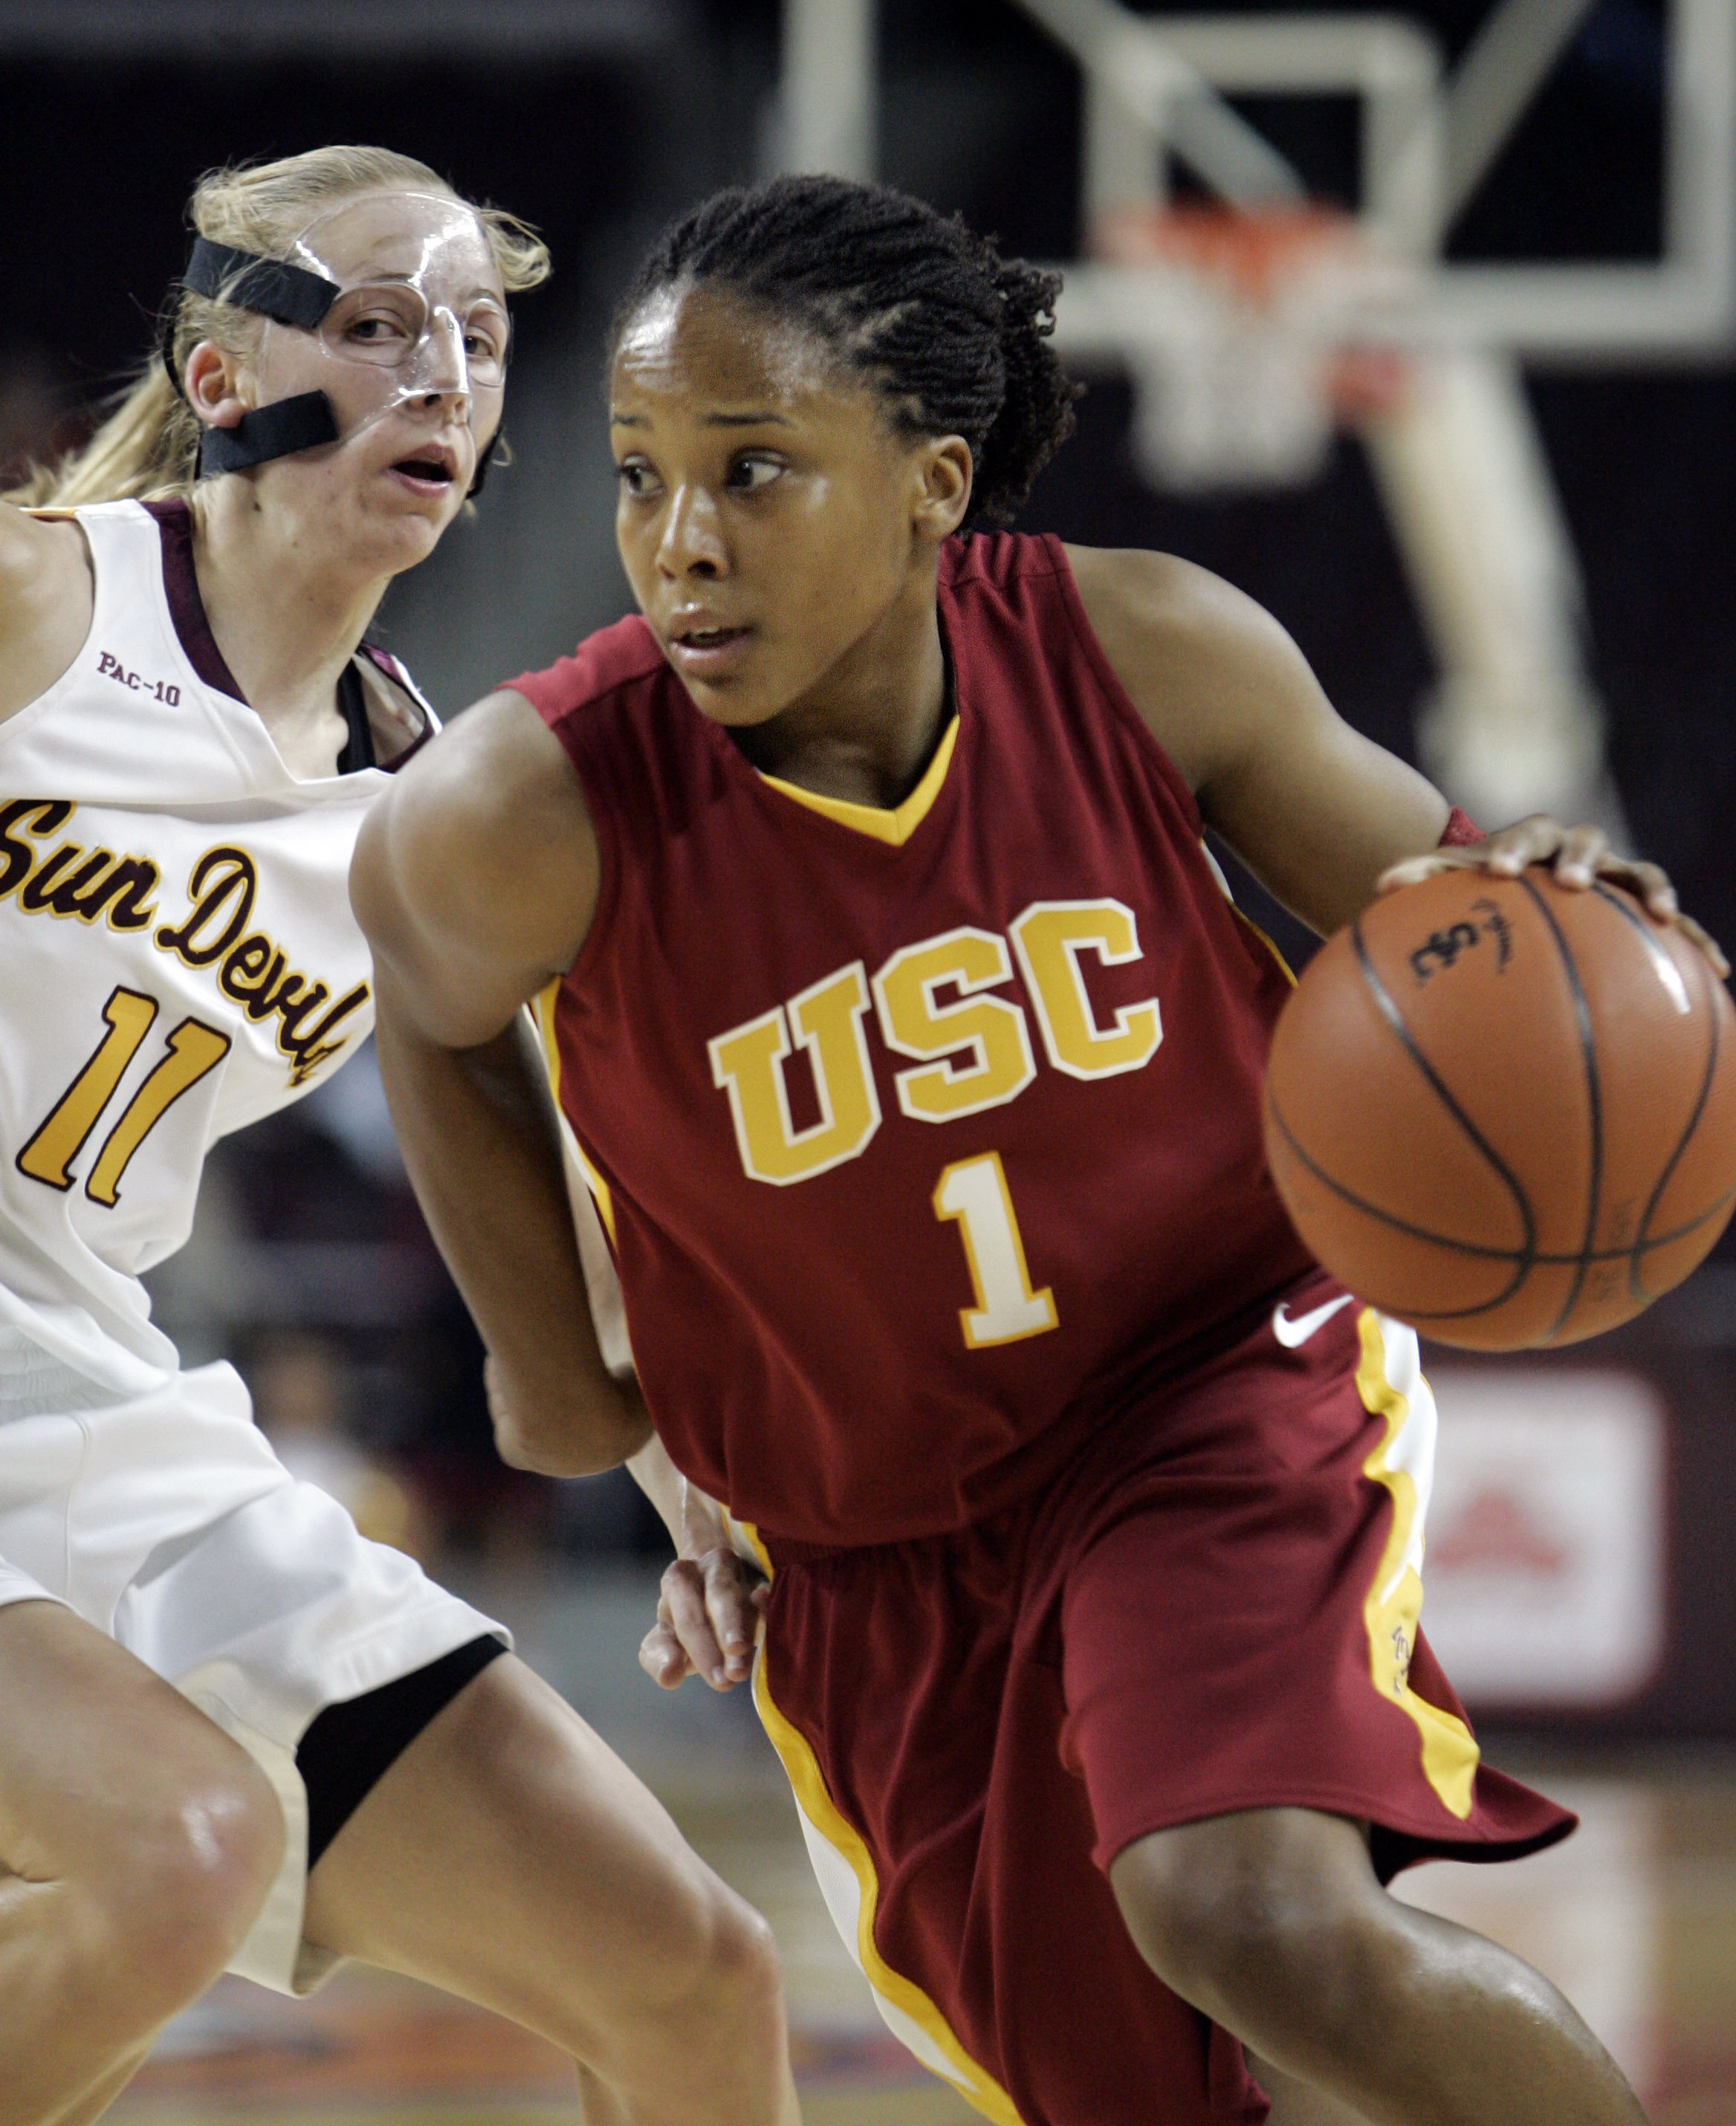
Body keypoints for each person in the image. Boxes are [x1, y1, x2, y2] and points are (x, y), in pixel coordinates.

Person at [352, 174, 1712, 2126]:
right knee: (1128, 2094)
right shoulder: (532, 805)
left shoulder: (1149, 656)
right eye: (641, 475)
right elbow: (429, 1002)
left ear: (929, 481)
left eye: (755, 474)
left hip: (1204, 1389)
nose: (678, 543)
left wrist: (1552, 921)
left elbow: (1460, 924)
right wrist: (582, 1395)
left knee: (1253, 1916)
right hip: (872, 1550)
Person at [0, 147, 798, 2126]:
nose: (441, 374)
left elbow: (553, 1173)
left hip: (89, 1401)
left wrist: (684, 1450)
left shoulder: (430, 809)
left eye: (479, 337)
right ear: (221, 379)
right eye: (373, 327)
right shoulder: (37, 599)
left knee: (694, 1982)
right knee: (166, 1857)